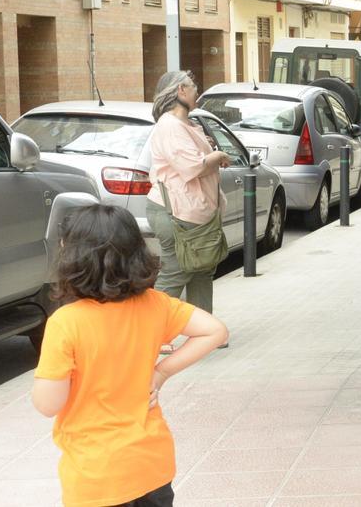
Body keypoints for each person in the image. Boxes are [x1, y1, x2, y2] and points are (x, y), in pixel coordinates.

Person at [31, 205, 229, 507]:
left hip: (97, 475)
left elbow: (48, 404)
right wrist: (161, 372)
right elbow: (214, 331)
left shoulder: (66, 322)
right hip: (152, 463)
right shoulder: (155, 304)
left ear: (70, 256)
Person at [144, 70, 231, 351]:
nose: (197, 92)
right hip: (176, 213)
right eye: (193, 87)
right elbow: (190, 166)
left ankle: (205, 332)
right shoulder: (169, 126)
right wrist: (216, 156)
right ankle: (151, 335)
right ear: (181, 90)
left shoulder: (186, 125)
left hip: (193, 212)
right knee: (177, 271)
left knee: (201, 270)